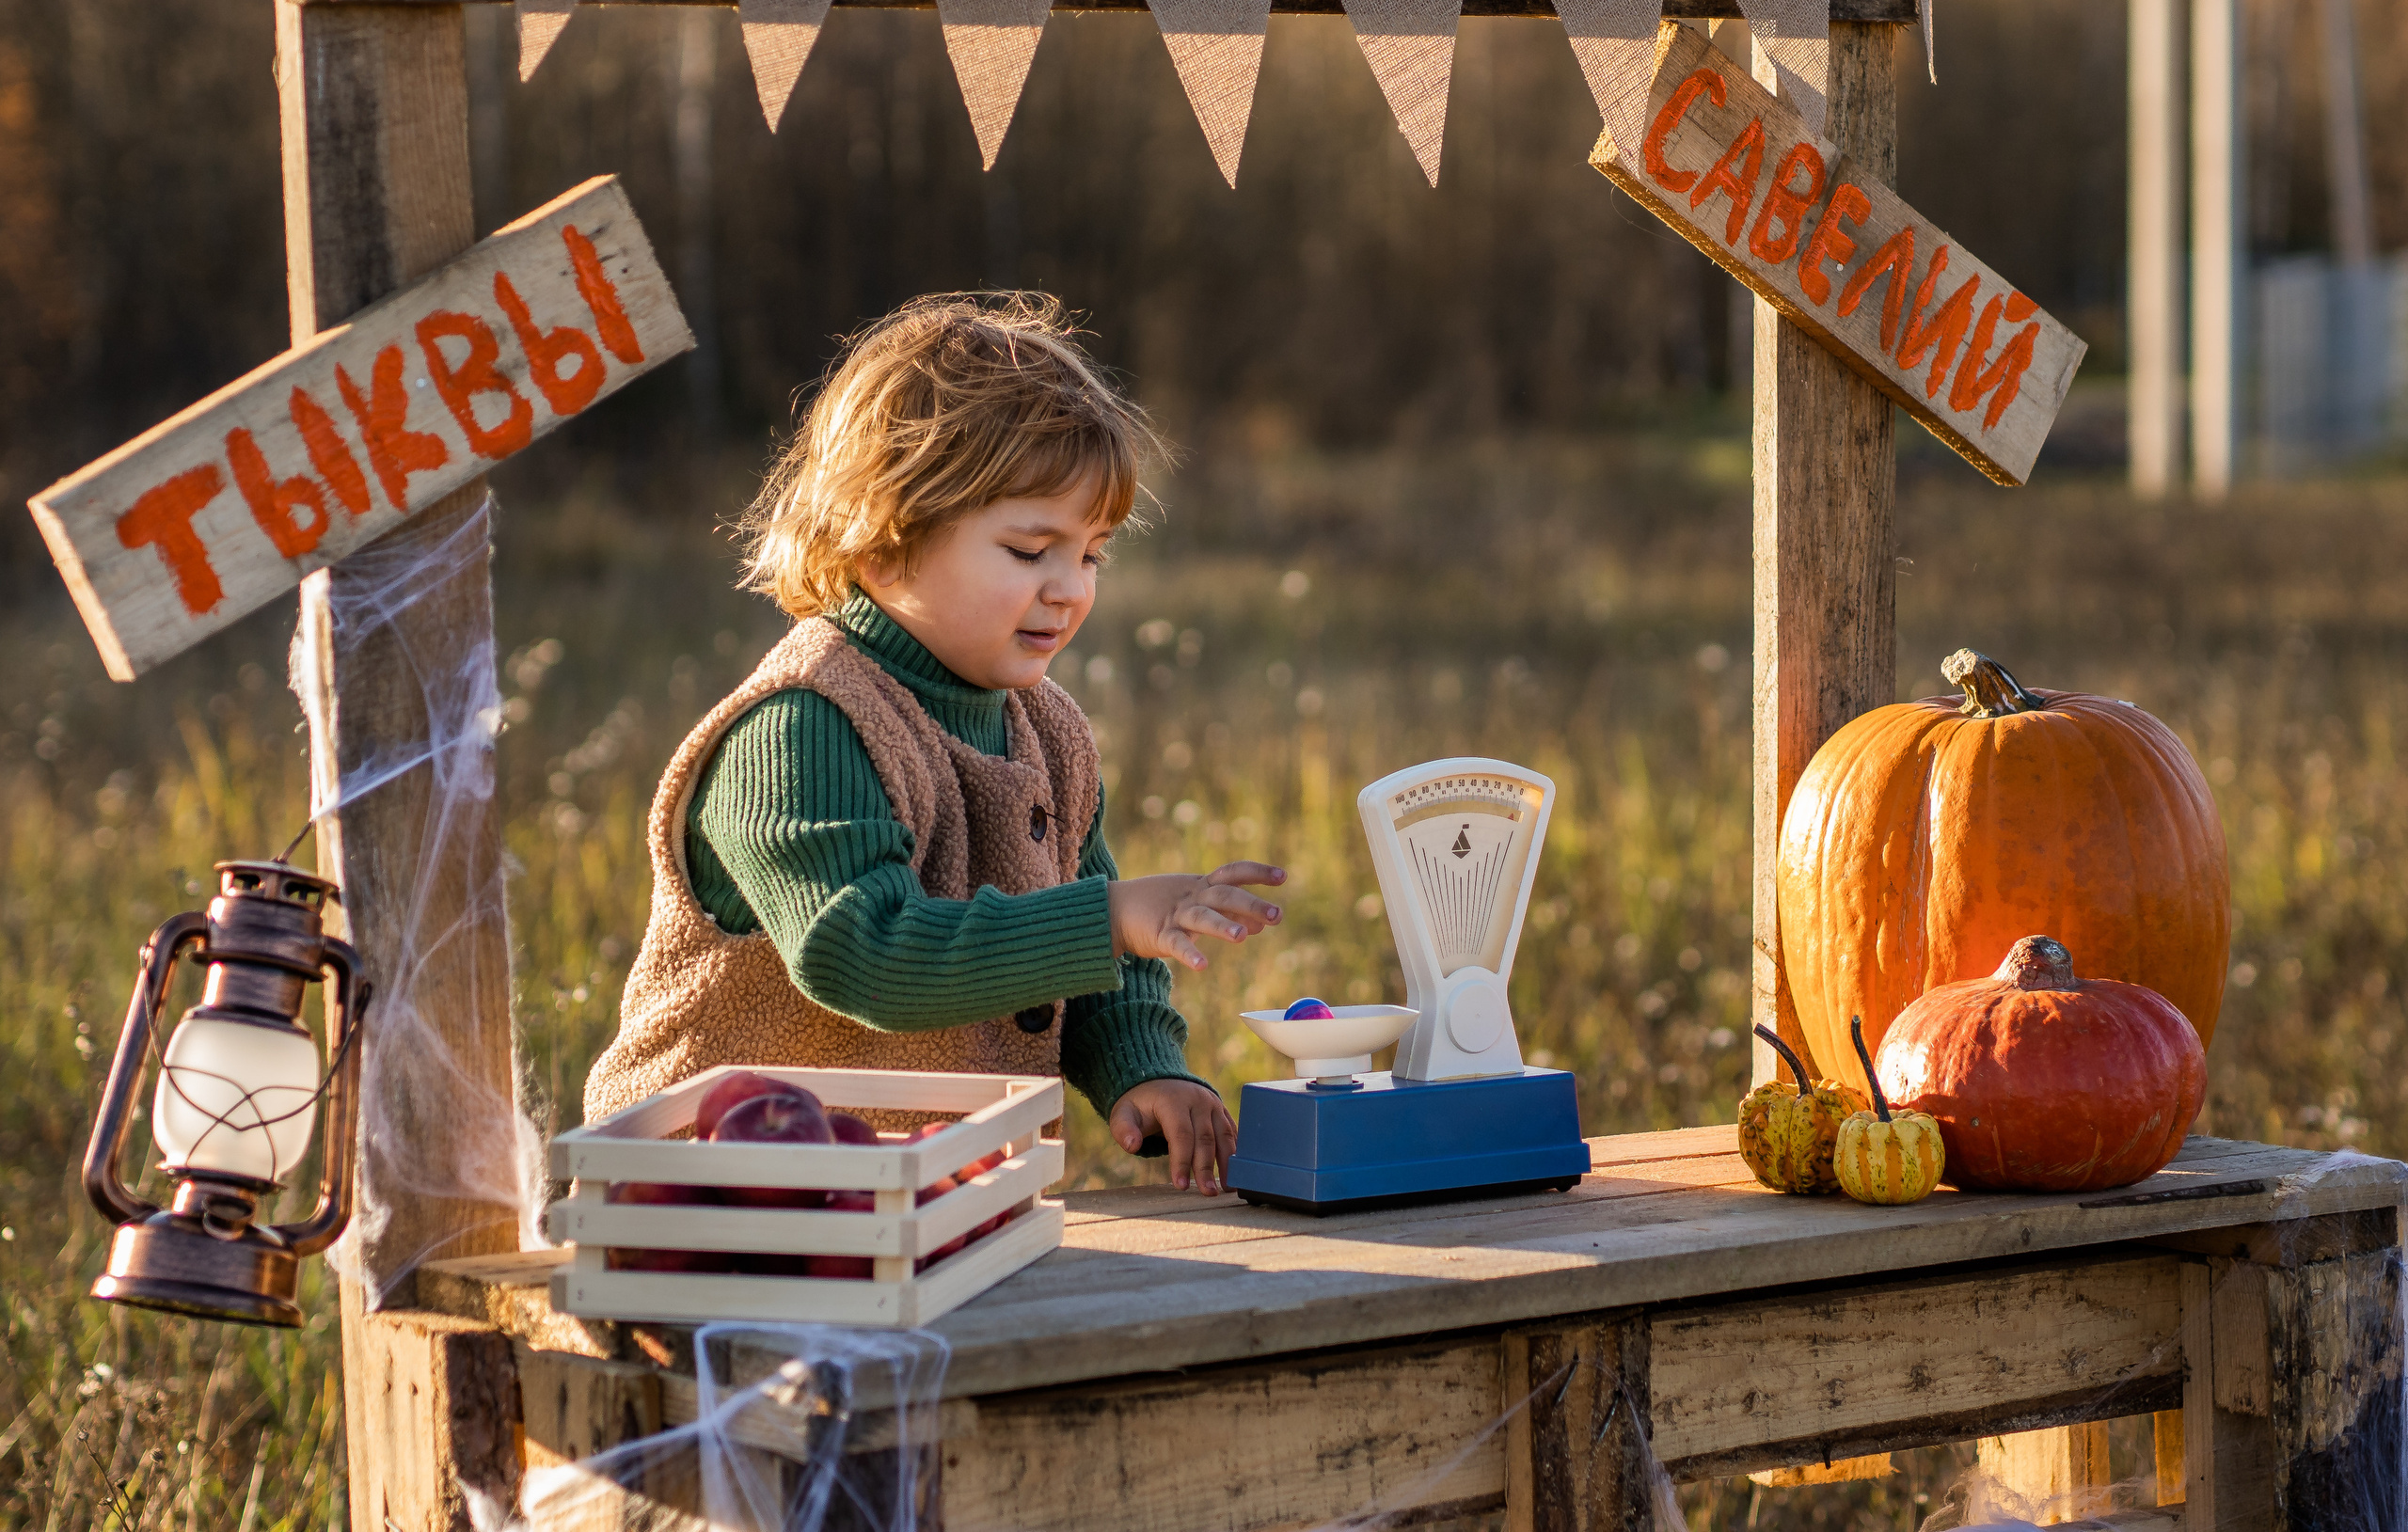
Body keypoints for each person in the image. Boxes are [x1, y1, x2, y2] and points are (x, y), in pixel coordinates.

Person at [585, 292, 1281, 1195]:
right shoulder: (802, 726)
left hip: (931, 1206)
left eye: (1093, 553)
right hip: (709, 1207)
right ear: (883, 544)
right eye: (1031, 551)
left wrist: (1144, 1064)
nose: (1070, 587)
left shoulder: (1050, 733)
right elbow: (866, 954)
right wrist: (1109, 916)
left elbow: (1088, 950)